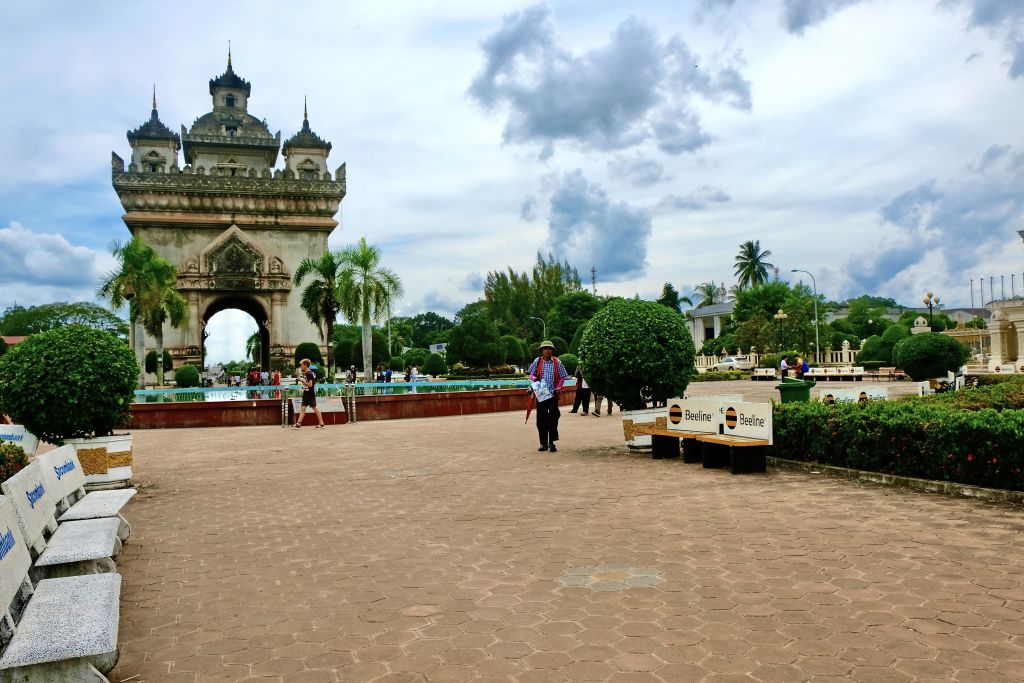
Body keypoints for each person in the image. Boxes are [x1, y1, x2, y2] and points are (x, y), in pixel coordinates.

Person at [528, 340, 568, 452]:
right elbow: (530, 374)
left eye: (549, 348)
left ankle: (552, 442)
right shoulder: (537, 361)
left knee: (554, 416)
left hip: (553, 394)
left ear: (552, 351)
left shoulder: (557, 362)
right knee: (541, 419)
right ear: (541, 350)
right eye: (545, 348)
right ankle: (543, 443)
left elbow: (562, 377)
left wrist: (559, 387)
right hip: (541, 393)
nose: (547, 350)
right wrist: (534, 378)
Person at [293, 359, 325, 429]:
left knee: (314, 408)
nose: (301, 367)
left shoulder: (310, 374)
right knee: (303, 408)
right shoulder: (306, 374)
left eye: (301, 365)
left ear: (305, 365)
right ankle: (298, 423)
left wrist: (302, 380)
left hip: (310, 394)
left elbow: (310, 385)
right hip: (306, 393)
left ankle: (321, 423)